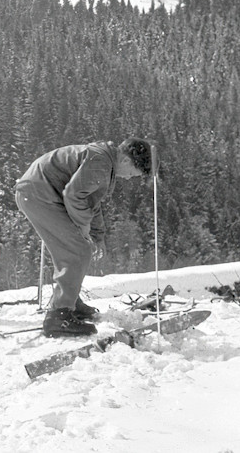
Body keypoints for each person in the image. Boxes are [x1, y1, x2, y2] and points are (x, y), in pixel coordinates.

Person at [14, 138, 152, 337]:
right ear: (126, 161)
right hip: (39, 194)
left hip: (38, 191)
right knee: (76, 250)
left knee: (73, 248)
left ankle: (69, 302)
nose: (129, 178)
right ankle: (59, 316)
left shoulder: (104, 162)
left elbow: (90, 202)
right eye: (132, 174)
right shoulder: (101, 163)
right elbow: (74, 196)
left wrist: (97, 236)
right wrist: (83, 227)